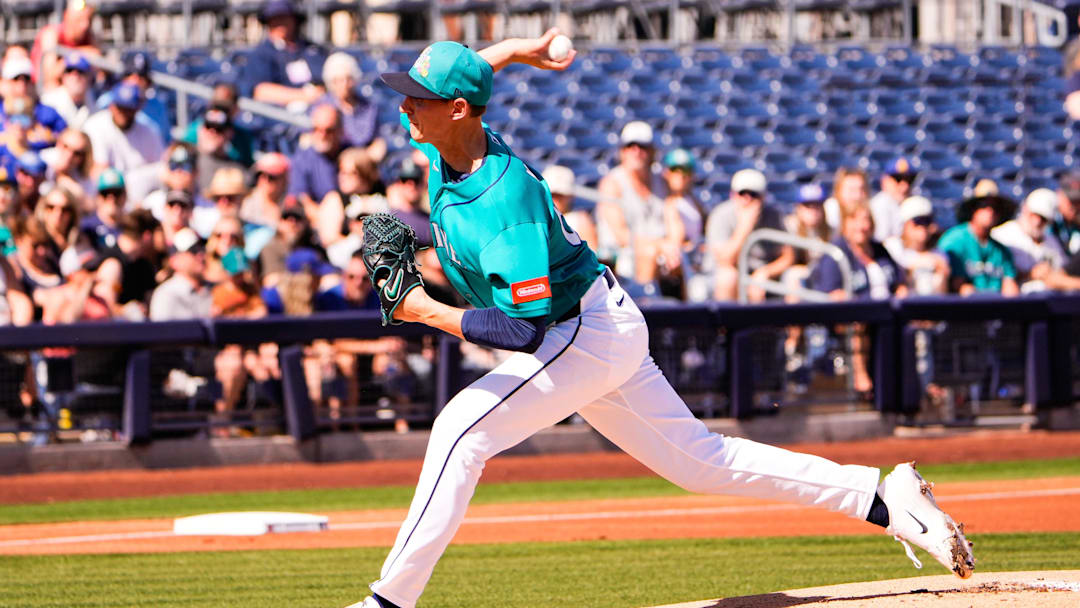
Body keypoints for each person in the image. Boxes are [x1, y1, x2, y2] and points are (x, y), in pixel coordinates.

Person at [343, 34, 974, 608]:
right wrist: (523, 50)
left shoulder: (504, 200)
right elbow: (480, 65)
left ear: (456, 109)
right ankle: (884, 498)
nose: (405, 108)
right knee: (701, 463)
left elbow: (522, 333)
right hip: (598, 322)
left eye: (418, 99)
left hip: (578, 330)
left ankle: (388, 603)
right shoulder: (453, 138)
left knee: (460, 431)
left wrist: (422, 308)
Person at [704, 169, 793, 302]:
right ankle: (725, 323)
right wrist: (745, 227)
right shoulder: (720, 215)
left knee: (794, 277)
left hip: (761, 276)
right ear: (732, 195)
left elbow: (788, 256)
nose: (748, 199)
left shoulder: (773, 216)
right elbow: (725, 260)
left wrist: (766, 272)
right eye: (742, 193)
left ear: (763, 197)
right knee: (728, 277)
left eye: (753, 194)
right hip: (726, 276)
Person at [595, 121, 666, 283]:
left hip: (661, 251)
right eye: (630, 146)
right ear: (622, 151)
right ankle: (645, 305)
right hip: (621, 255)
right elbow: (622, 236)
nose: (637, 151)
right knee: (648, 253)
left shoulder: (661, 180)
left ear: (652, 151)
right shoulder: (612, 183)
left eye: (643, 146)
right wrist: (661, 246)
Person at [244, 0, 328, 108]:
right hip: (281, 115)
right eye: (275, 18)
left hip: (320, 108)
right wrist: (305, 96)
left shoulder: (313, 50)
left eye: (284, 17)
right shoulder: (261, 54)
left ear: (295, 19)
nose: (280, 23)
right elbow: (261, 92)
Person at [937, 192, 1020, 296]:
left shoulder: (1002, 250)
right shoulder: (955, 240)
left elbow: (1010, 286)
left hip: (998, 306)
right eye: (984, 205)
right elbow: (958, 286)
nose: (991, 211)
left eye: (996, 207)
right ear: (973, 209)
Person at [83, 82, 165, 184]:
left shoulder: (149, 130)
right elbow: (98, 170)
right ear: (112, 106)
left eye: (128, 109)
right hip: (107, 188)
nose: (123, 113)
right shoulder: (96, 125)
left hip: (140, 188)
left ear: (137, 108)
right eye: (120, 107)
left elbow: (162, 168)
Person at [990, 188, 1066, 292]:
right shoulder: (1001, 235)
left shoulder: (1051, 241)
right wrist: (1030, 274)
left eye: (1043, 218)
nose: (1037, 222)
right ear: (1025, 209)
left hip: (1049, 300)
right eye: (1034, 215)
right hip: (1017, 300)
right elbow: (993, 275)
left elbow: (1063, 269)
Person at [94, 51, 170, 145]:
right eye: (130, 75)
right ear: (122, 78)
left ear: (148, 82)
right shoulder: (107, 100)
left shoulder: (157, 106)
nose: (136, 81)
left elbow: (165, 141)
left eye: (141, 77)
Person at [317, 52, 384, 154]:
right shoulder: (322, 106)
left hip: (361, 158)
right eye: (338, 80)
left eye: (348, 79)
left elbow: (376, 139)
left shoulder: (368, 107)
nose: (344, 85)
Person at [659, 148, 704, 300]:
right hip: (683, 259)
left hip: (698, 256)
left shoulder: (695, 202)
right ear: (667, 173)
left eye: (685, 170)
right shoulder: (669, 203)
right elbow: (676, 239)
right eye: (675, 170)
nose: (681, 175)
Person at [883, 196, 950, 295]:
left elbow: (943, 293)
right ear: (905, 224)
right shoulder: (892, 246)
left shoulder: (939, 253)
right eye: (918, 221)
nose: (923, 227)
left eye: (927, 221)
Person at [317, 146, 381, 248]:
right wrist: (356, 240)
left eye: (351, 173)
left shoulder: (381, 195)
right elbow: (328, 238)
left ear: (365, 174)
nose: (343, 176)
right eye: (341, 171)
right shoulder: (334, 199)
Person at [180, 83, 255, 167]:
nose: (220, 111)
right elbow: (180, 151)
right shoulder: (200, 128)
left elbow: (247, 167)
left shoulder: (242, 137)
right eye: (217, 106)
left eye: (225, 108)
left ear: (235, 109)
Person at [30, 0, 100, 92]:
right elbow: (48, 76)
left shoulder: (89, 36)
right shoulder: (52, 34)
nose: (85, 25)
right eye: (80, 20)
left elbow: (99, 72)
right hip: (49, 92)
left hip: (80, 93)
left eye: (89, 19)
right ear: (67, 16)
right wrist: (78, 54)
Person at [1, 56, 67, 151]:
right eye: (15, 80)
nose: (22, 86)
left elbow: (68, 139)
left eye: (26, 79)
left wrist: (51, 137)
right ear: (4, 83)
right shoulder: (1, 112)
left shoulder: (47, 113)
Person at [289, 104, 345, 215]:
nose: (322, 135)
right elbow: (304, 202)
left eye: (329, 130)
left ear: (340, 131)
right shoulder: (302, 159)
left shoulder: (350, 154)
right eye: (316, 129)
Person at [193, 106, 247, 195]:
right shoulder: (185, 158)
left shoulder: (237, 171)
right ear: (200, 129)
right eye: (208, 126)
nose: (212, 132)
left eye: (219, 129)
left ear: (230, 133)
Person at [541, 164, 596, 250]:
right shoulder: (537, 220)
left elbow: (592, 254)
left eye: (560, 195)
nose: (555, 200)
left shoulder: (580, 220)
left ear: (570, 196)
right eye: (552, 194)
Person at [142, 143, 200, 220]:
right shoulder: (152, 203)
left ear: (196, 171)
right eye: (174, 165)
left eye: (186, 165)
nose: (179, 171)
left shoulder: (207, 209)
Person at [40, 53, 95, 130]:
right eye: (69, 71)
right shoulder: (48, 101)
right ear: (63, 76)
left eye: (80, 72)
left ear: (89, 77)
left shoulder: (95, 102)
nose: (75, 76)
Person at [42, 129, 94, 208]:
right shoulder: (43, 160)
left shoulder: (82, 176)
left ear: (83, 158)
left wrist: (66, 182)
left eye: (77, 153)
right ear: (58, 143)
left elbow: (90, 207)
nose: (69, 155)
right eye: (66, 146)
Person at [868, 157, 915, 242]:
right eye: (898, 179)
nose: (904, 185)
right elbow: (881, 241)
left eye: (909, 180)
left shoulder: (912, 204)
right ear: (884, 180)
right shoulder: (880, 204)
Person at [193, 167, 248, 239]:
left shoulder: (255, 234)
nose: (224, 202)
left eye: (230, 197)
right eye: (218, 198)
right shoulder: (202, 232)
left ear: (241, 199)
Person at [80, 168, 126, 252]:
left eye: (117, 193)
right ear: (98, 196)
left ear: (125, 195)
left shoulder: (131, 227)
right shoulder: (86, 227)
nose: (111, 198)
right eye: (105, 193)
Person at [241, 152, 290, 229]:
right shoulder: (247, 203)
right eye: (261, 175)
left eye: (272, 177)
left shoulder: (291, 204)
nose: (266, 180)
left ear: (285, 179)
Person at [824, 166, 871, 233]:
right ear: (838, 191)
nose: (857, 196)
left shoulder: (872, 210)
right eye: (852, 190)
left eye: (862, 189)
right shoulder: (830, 209)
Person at [1052, 173, 1080, 258]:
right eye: (1071, 200)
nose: (1074, 206)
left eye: (1078, 201)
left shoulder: (1076, 223)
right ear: (1059, 195)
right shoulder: (1048, 221)